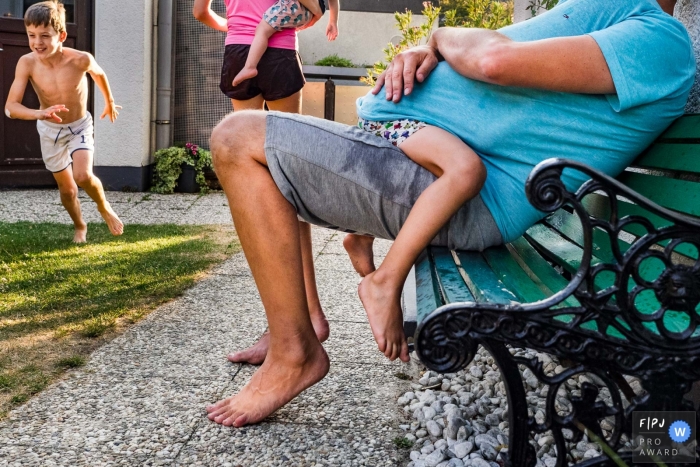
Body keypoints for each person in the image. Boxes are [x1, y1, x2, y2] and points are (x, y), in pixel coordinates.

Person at [205, 0, 694, 428]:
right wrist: (431, 55)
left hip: (465, 192)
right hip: (427, 159)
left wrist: (439, 38)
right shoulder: (614, 19)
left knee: (238, 138)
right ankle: (299, 323)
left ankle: (295, 351)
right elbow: (498, 68)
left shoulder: (658, 37)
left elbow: (492, 58)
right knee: (254, 141)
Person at [193, 0, 331, 365]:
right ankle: (309, 315)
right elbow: (314, 9)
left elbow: (200, 13)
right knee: (289, 176)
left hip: (239, 49)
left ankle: (287, 325)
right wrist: (278, 25)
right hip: (280, 50)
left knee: (259, 178)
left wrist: (238, 27)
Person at [4, 1, 124, 243]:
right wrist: (39, 113)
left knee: (82, 176)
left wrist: (109, 101)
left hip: (79, 125)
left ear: (62, 35)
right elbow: (11, 107)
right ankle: (80, 225)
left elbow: (98, 73)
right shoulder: (26, 63)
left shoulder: (80, 59)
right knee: (68, 190)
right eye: (32, 35)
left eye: (45, 36)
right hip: (50, 130)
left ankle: (103, 206)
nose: (38, 42)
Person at [232, 0, 340, 87]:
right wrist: (333, 21)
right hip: (307, 11)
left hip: (295, 5)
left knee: (262, 30)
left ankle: (250, 66)